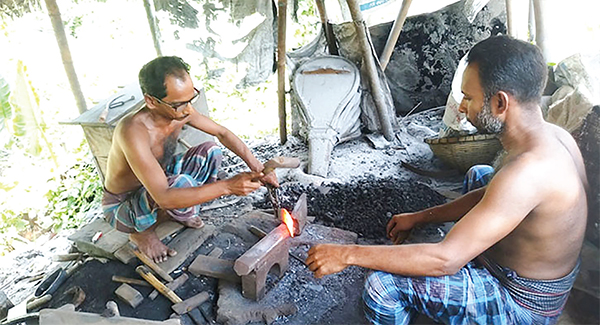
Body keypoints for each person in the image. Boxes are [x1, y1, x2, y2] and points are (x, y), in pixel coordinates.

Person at [306, 35, 588, 324]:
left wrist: (347, 254)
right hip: (536, 276)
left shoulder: (527, 173)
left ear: (500, 102)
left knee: (382, 288)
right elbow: (493, 195)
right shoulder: (554, 137)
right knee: (481, 176)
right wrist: (420, 217)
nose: (463, 107)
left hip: (521, 304)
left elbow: (445, 260)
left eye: (469, 98)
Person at [102, 56, 277, 263]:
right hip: (124, 204)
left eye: (190, 99)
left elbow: (221, 133)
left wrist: (258, 168)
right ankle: (142, 232)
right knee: (180, 186)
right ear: (151, 101)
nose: (187, 110)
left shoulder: (181, 110)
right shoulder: (133, 131)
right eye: (178, 104)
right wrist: (228, 187)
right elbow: (164, 197)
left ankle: (175, 213)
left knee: (210, 151)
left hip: (159, 181)